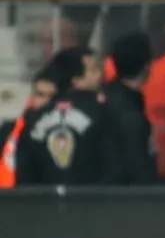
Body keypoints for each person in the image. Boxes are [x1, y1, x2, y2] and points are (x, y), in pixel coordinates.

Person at [16, 47, 121, 186]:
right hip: (90, 203)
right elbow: (114, 170)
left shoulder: (34, 120)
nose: (100, 75)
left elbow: (24, 177)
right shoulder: (105, 115)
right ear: (76, 80)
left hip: (44, 204)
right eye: (93, 70)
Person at [104, 31, 158, 185]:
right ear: (147, 66)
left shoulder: (105, 97)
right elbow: (138, 167)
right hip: (126, 196)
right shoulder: (130, 112)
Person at [0, 69, 60, 188]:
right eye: (40, 94)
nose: (45, 101)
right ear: (32, 96)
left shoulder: (63, 131)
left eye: (51, 96)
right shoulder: (10, 129)